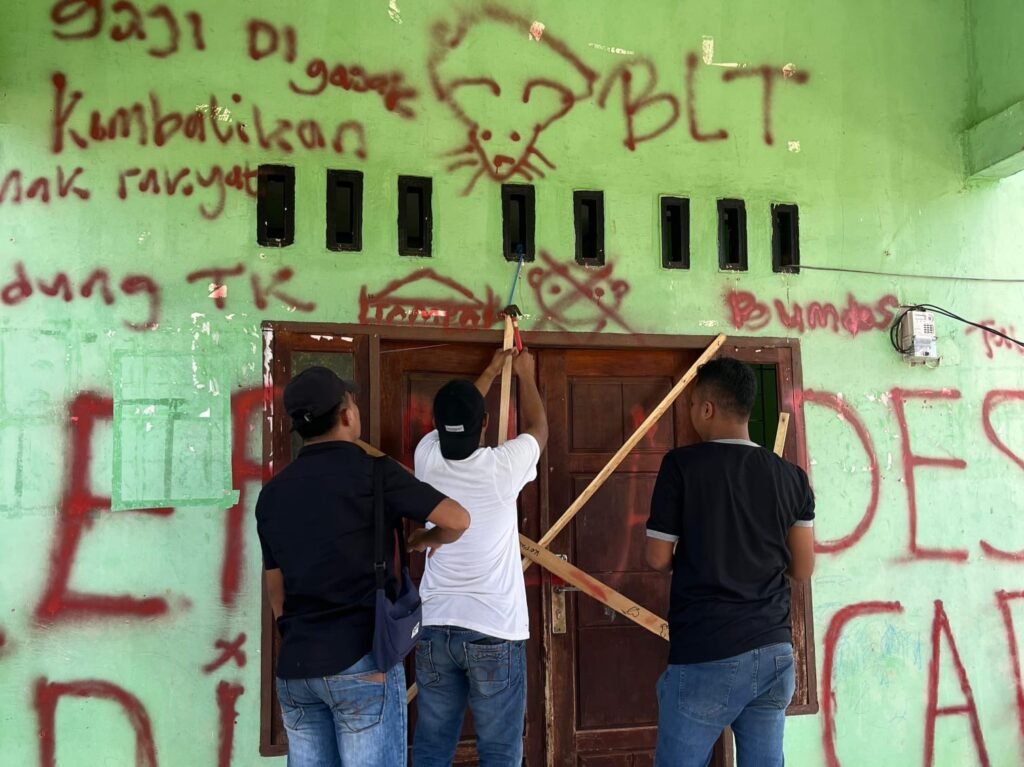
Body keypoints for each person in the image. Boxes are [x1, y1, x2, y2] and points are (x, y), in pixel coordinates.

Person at [256, 366, 470, 767]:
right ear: (346, 415)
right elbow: (457, 519)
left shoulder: (272, 495)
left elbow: (275, 592)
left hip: (298, 670)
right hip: (361, 660)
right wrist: (424, 540)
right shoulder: (375, 472)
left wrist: (306, 640)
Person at [645, 357, 816, 767]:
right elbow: (803, 568)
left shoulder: (681, 466)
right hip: (774, 653)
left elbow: (656, 558)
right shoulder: (792, 477)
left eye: (690, 405)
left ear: (707, 408)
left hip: (707, 651)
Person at [411, 347, 548, 767]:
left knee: (433, 746)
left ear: (436, 426)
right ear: (486, 423)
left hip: (434, 626)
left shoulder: (426, 456)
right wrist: (525, 375)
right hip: (493, 629)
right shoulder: (502, 468)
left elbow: (459, 417)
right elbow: (538, 429)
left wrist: (489, 370)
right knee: (500, 751)